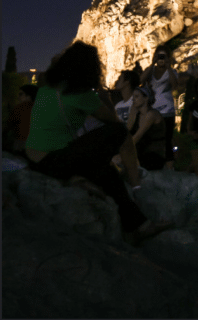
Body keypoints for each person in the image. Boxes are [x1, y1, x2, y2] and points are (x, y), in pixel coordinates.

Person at [24, 41, 168, 241]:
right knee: (118, 132)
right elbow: (115, 124)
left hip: (36, 159)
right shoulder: (80, 94)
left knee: (106, 172)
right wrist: (104, 97)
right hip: (55, 160)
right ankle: (136, 185)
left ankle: (138, 226)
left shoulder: (48, 88)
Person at [140, 46, 179, 170]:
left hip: (167, 110)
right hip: (151, 110)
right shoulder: (150, 71)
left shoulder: (171, 72)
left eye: (163, 56)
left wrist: (168, 66)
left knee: (167, 139)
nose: (161, 59)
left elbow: (174, 85)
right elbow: (140, 80)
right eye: (159, 56)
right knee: (149, 138)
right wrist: (152, 64)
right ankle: (151, 163)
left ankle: (169, 167)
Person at [125, 86, 167, 171]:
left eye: (136, 96)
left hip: (154, 155)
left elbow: (137, 137)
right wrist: (132, 112)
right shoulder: (137, 115)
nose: (133, 99)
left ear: (146, 98)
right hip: (141, 152)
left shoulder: (152, 114)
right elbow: (127, 131)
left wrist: (121, 151)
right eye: (133, 97)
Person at [6, 84, 38, 153]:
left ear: (29, 96)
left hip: (21, 144)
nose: (18, 97)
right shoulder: (42, 108)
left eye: (21, 94)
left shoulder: (19, 108)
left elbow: (9, 125)